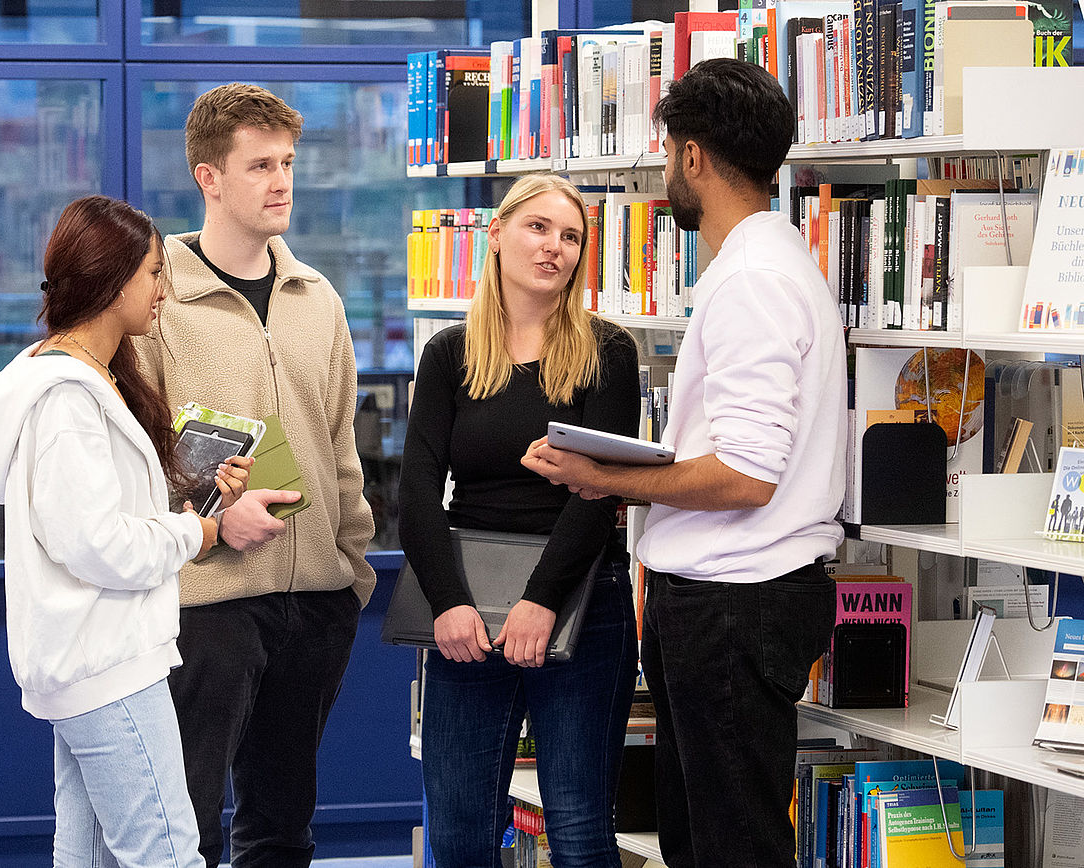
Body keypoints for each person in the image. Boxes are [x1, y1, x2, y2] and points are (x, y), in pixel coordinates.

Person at [521, 59, 845, 868]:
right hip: (729, 598)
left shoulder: (752, 282)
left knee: (730, 844)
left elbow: (745, 477)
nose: (667, 169)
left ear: (693, 156)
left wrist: (604, 479)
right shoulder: (771, 265)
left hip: (734, 603)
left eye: (669, 152)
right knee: (700, 837)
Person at [0, 194, 278, 868]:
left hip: (87, 662)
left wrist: (196, 504)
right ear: (110, 281)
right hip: (107, 665)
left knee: (90, 854)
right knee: (165, 853)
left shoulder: (78, 382)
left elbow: (96, 515)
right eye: (153, 274)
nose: (163, 290)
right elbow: (97, 545)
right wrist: (202, 535)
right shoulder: (66, 403)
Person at [131, 82, 377, 868]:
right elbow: (132, 457)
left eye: (289, 163)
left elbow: (340, 446)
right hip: (208, 602)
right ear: (208, 177)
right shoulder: (154, 302)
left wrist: (350, 577)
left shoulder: (317, 299)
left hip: (314, 603)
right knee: (187, 827)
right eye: (260, 165)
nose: (282, 182)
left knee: (282, 830)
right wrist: (206, 523)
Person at [398, 173, 640, 868]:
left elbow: (597, 494)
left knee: (580, 832)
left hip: (581, 605)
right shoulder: (449, 353)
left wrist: (541, 600)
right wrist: (448, 604)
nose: (554, 247)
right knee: (461, 835)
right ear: (496, 233)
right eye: (538, 228)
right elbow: (416, 495)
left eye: (570, 237)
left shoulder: (607, 351)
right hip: (466, 612)